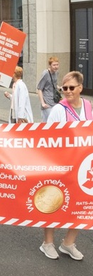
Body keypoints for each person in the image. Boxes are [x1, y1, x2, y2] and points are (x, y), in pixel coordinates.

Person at [40, 71, 90, 261]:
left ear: (80, 88)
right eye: (64, 88)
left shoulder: (88, 106)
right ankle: (47, 243)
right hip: (60, 164)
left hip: (82, 165)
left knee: (82, 204)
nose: (67, 92)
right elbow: (49, 138)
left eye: (71, 88)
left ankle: (68, 243)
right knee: (54, 202)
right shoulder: (59, 110)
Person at [36, 56, 61, 122]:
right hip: (47, 102)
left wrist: (59, 88)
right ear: (50, 65)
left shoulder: (56, 72)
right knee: (47, 123)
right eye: (54, 65)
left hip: (55, 101)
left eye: (57, 64)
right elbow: (39, 88)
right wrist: (43, 103)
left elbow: (54, 84)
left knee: (55, 122)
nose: (56, 67)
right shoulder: (45, 73)